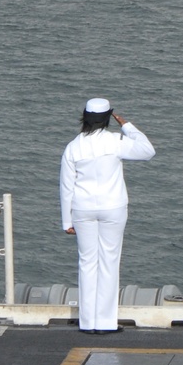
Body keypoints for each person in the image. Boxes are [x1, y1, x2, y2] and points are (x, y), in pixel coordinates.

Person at [60, 98, 155, 334]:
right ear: (108, 117)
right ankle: (105, 323)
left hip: (83, 210)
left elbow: (66, 187)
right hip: (113, 208)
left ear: (84, 116)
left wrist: (66, 221)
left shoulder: (73, 147)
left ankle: (87, 323)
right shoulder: (115, 142)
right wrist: (128, 126)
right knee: (109, 263)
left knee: (87, 263)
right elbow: (148, 151)